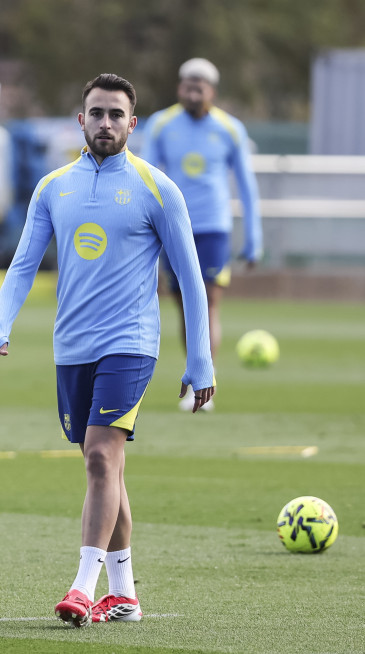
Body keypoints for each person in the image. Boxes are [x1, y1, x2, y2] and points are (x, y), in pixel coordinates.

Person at [0, 73, 215, 628]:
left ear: (133, 124)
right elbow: (22, 265)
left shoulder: (157, 188)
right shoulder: (53, 187)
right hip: (72, 349)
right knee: (106, 468)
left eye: (116, 115)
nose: (105, 123)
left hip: (131, 345)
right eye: (96, 113)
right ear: (79, 120)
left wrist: (199, 359)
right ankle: (125, 593)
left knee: (99, 457)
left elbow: (191, 278)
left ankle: (83, 587)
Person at [139, 58, 262, 411]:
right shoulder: (162, 124)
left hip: (213, 229)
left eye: (200, 87)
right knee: (183, 308)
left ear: (212, 91)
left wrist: (253, 239)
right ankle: (195, 369)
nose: (193, 92)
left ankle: (205, 383)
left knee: (207, 303)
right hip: (173, 228)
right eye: (187, 86)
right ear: (180, 88)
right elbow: (145, 176)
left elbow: (247, 186)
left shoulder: (230, 128)